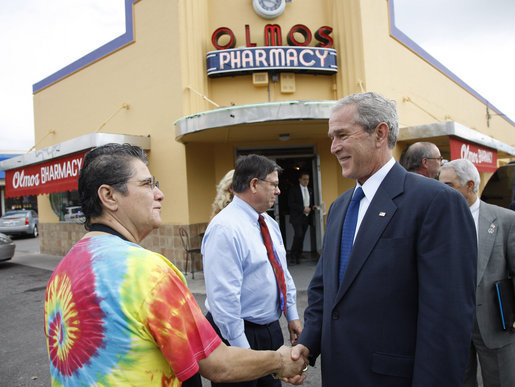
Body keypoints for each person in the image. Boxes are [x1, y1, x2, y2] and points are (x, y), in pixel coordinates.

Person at [43, 144, 306, 386]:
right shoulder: (147, 272)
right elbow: (217, 364)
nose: (160, 194)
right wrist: (279, 361)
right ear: (109, 196)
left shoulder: (61, 273)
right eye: (147, 184)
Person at [288, 92, 477, 386]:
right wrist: (308, 344)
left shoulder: (436, 202)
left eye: (341, 135)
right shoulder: (339, 207)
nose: (334, 147)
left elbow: (446, 320)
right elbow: (325, 289)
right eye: (331, 138)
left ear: (380, 133)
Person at [202, 154, 303, 387]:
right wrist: (243, 353)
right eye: (274, 185)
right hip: (237, 334)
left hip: (269, 331)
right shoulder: (225, 228)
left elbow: (281, 272)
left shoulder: (268, 223)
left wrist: (292, 314)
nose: (278, 191)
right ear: (254, 184)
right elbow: (224, 300)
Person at [439, 159, 515, 387]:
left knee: (500, 380)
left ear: (470, 185)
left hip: (494, 319)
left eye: (449, 185)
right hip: (453, 322)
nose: (442, 190)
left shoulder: (505, 220)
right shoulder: (438, 220)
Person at [287, 171, 316, 265]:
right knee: (298, 235)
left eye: (307, 179)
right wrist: (303, 208)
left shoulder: (310, 189)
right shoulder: (293, 190)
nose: (306, 181)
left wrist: (312, 207)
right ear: (299, 179)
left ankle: (298, 255)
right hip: (297, 217)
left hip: (306, 217)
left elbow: (309, 203)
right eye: (304, 179)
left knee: (302, 237)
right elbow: (291, 204)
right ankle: (292, 255)